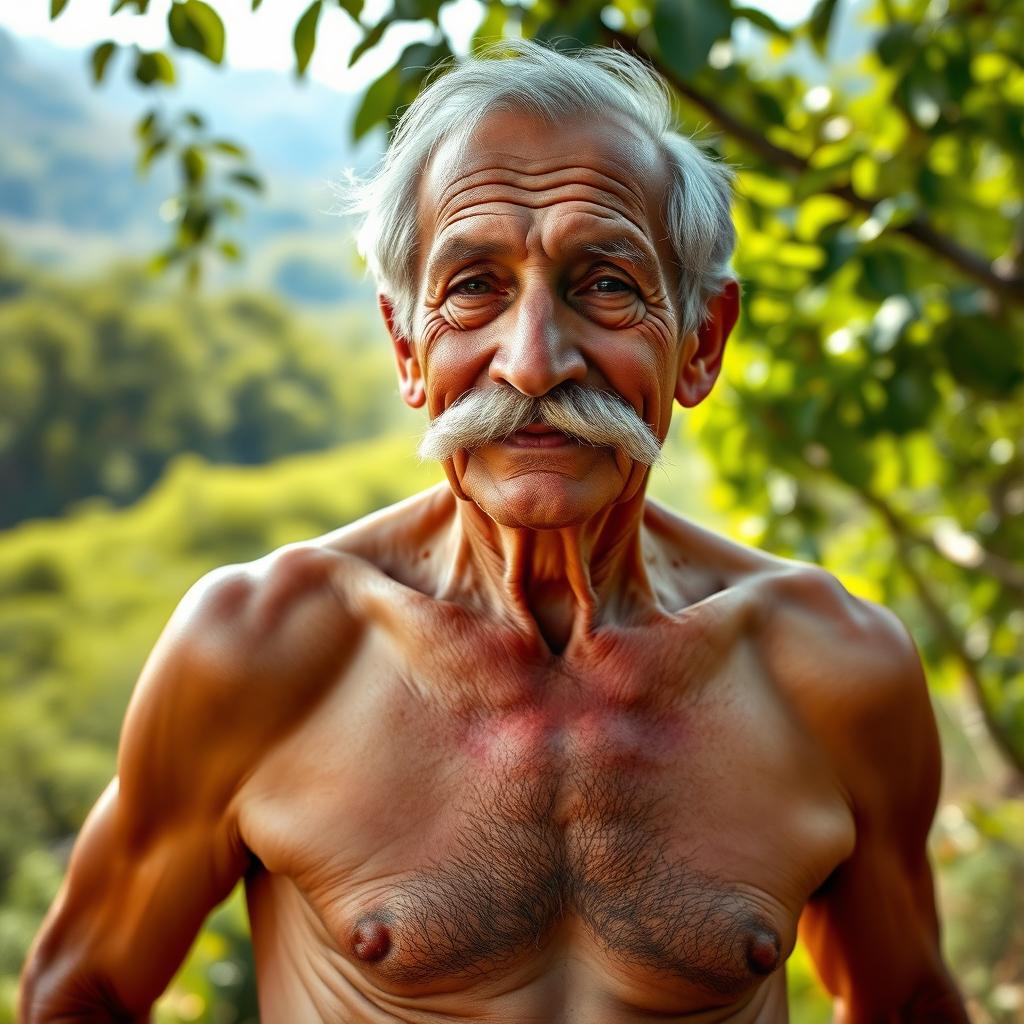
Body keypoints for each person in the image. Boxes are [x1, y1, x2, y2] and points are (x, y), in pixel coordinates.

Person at [20, 42, 969, 1023]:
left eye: (603, 282)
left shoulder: (831, 671)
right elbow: (78, 992)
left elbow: (905, 1001)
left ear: (701, 340)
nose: (533, 362)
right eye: (474, 285)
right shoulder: (263, 650)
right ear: (406, 346)